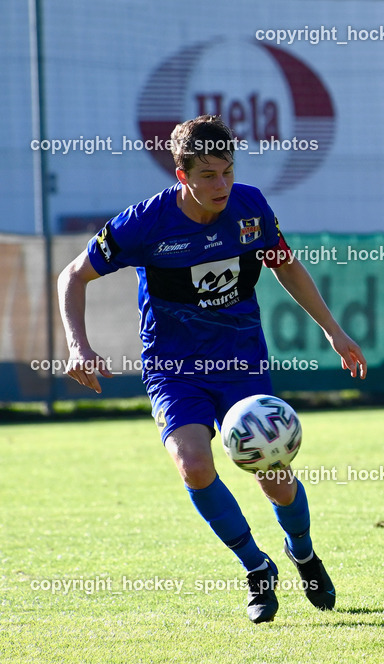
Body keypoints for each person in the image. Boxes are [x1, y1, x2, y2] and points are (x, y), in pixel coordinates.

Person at [57, 115, 367, 624]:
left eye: (226, 171)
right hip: (174, 367)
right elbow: (74, 275)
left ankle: (303, 553)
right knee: (195, 465)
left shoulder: (250, 206)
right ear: (181, 175)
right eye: (206, 175)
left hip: (241, 362)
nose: (220, 185)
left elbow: (283, 263)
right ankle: (255, 566)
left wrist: (333, 330)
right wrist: (78, 346)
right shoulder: (145, 223)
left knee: (274, 477)